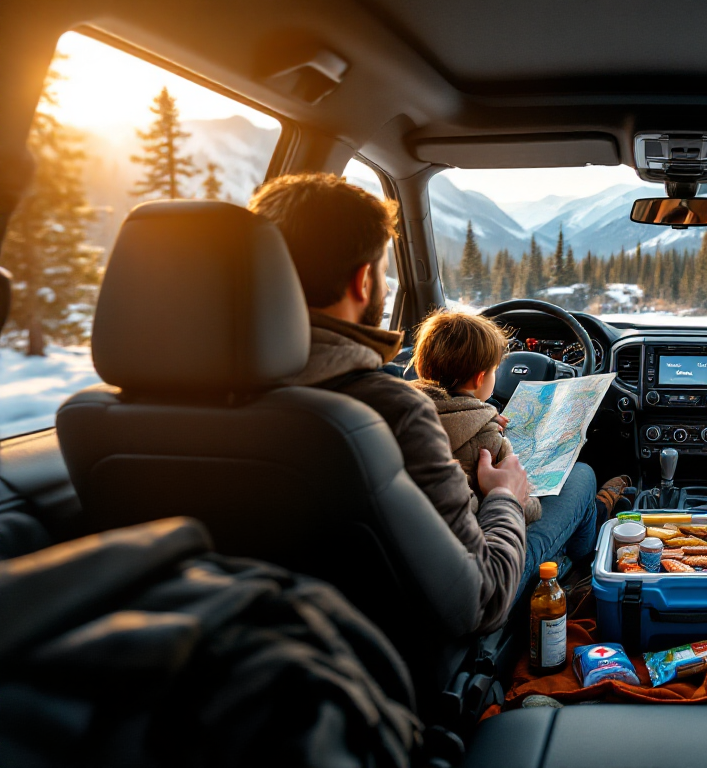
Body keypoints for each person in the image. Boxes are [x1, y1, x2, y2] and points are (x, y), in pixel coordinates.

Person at [247, 172, 579, 632]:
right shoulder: (395, 412)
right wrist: (504, 496)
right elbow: (482, 598)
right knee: (578, 479)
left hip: (272, 630)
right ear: (364, 281)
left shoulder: (149, 411)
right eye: (384, 271)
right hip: (410, 646)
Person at [407, 307, 632, 598]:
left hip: (432, 559)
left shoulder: (403, 416)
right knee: (582, 475)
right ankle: (579, 557)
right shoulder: (488, 437)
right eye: (494, 370)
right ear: (479, 379)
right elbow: (528, 510)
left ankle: (591, 514)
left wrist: (484, 415)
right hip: (489, 569)